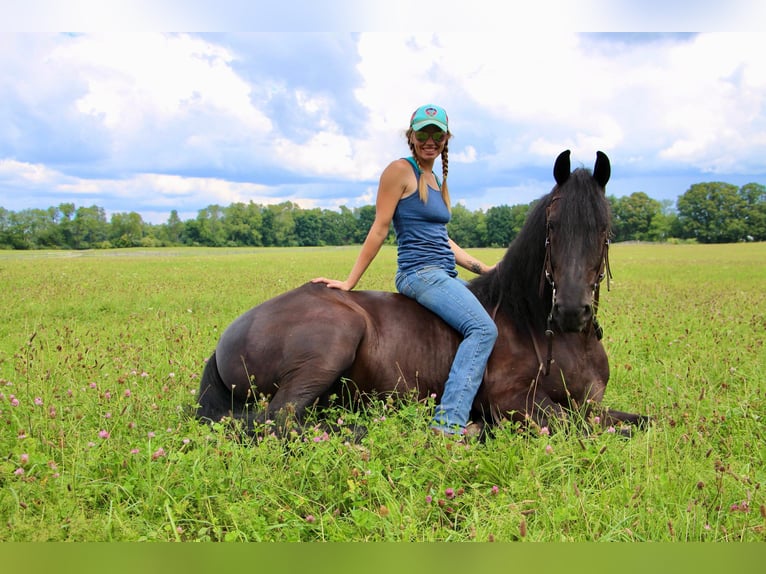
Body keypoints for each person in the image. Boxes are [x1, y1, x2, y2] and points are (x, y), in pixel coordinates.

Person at [312, 104, 498, 436]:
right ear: (410, 137)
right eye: (423, 133)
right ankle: (449, 424)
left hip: (443, 273)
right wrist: (350, 281)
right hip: (420, 274)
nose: (430, 140)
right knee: (484, 330)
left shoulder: (434, 179)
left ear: (446, 139)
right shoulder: (400, 171)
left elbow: (442, 239)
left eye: (437, 134)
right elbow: (379, 229)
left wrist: (484, 269)